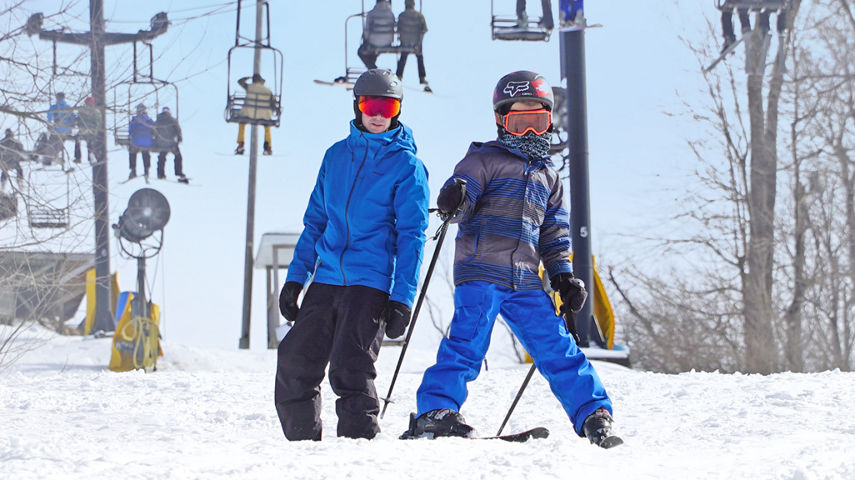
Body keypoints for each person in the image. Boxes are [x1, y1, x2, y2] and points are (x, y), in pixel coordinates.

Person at [402, 71, 622, 448]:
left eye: (537, 123)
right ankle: (436, 409)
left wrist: (563, 276)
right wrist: (454, 196)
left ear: (549, 122)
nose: (530, 134)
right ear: (502, 123)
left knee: (556, 344)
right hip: (481, 270)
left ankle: (592, 413)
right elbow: (463, 194)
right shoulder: (483, 160)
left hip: (525, 279)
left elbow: (554, 234)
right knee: (468, 341)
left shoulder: (549, 178)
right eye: (519, 124)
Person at [274, 69, 430, 441]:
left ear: (397, 111)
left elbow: (412, 237)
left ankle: (357, 454)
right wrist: (296, 279)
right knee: (296, 360)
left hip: (370, 282)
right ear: (357, 106)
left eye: (387, 106)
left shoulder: (407, 166)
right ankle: (302, 449)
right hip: (326, 278)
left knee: (350, 367)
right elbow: (315, 222)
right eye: (370, 104)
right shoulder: (336, 156)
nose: (378, 114)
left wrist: (401, 299)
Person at [395, 0, 431, 92]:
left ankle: (399, 75)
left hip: (405, 42)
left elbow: (398, 29)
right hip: (416, 43)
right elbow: (424, 29)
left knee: (403, 56)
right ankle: (422, 77)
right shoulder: (419, 16)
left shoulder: (401, 16)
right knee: (419, 57)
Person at [235, 73, 274, 156]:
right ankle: (268, 147)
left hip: (249, 113)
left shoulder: (249, 87)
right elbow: (273, 104)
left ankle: (240, 145)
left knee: (242, 123)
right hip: (264, 115)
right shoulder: (268, 91)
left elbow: (239, 82)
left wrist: (247, 78)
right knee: (267, 127)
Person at [357, 0, 396, 70]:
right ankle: (372, 68)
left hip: (373, 42)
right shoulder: (391, 14)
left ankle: (372, 68)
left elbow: (367, 31)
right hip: (387, 42)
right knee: (373, 53)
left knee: (361, 51)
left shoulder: (371, 14)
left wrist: (365, 38)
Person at [154, 107, 187, 183]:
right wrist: (179, 139)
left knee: (162, 157)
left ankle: (160, 173)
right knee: (178, 156)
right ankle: (178, 172)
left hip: (161, 143)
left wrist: (156, 141)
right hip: (171, 143)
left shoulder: (158, 120)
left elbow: (154, 131)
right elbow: (178, 130)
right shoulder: (172, 120)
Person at [46, 92, 80, 162]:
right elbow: (73, 118)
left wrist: (49, 126)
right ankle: (57, 156)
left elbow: (49, 118)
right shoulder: (68, 107)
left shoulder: (54, 107)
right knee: (61, 142)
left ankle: (51, 158)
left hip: (57, 130)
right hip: (68, 131)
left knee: (52, 142)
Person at [128, 103, 154, 180]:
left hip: (136, 141)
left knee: (132, 152)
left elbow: (131, 130)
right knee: (146, 153)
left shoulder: (134, 119)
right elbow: (153, 130)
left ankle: (133, 170)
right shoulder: (149, 120)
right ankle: (146, 170)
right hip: (147, 142)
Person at [76, 96, 101, 164]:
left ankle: (78, 157)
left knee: (77, 140)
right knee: (90, 143)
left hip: (83, 130)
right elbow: (99, 122)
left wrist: (79, 126)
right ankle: (91, 157)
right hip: (91, 130)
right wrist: (96, 131)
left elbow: (78, 119)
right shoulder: (96, 111)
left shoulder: (82, 110)